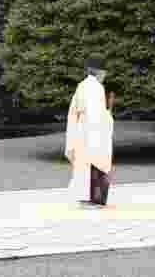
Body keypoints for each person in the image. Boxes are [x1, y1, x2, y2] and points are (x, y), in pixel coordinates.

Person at [65, 58, 114, 207]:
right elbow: (96, 114)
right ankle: (93, 198)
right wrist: (109, 115)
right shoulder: (95, 87)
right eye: (104, 72)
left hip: (82, 130)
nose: (104, 75)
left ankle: (85, 197)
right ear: (98, 72)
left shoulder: (83, 86)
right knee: (94, 163)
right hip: (92, 132)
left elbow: (75, 111)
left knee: (83, 166)